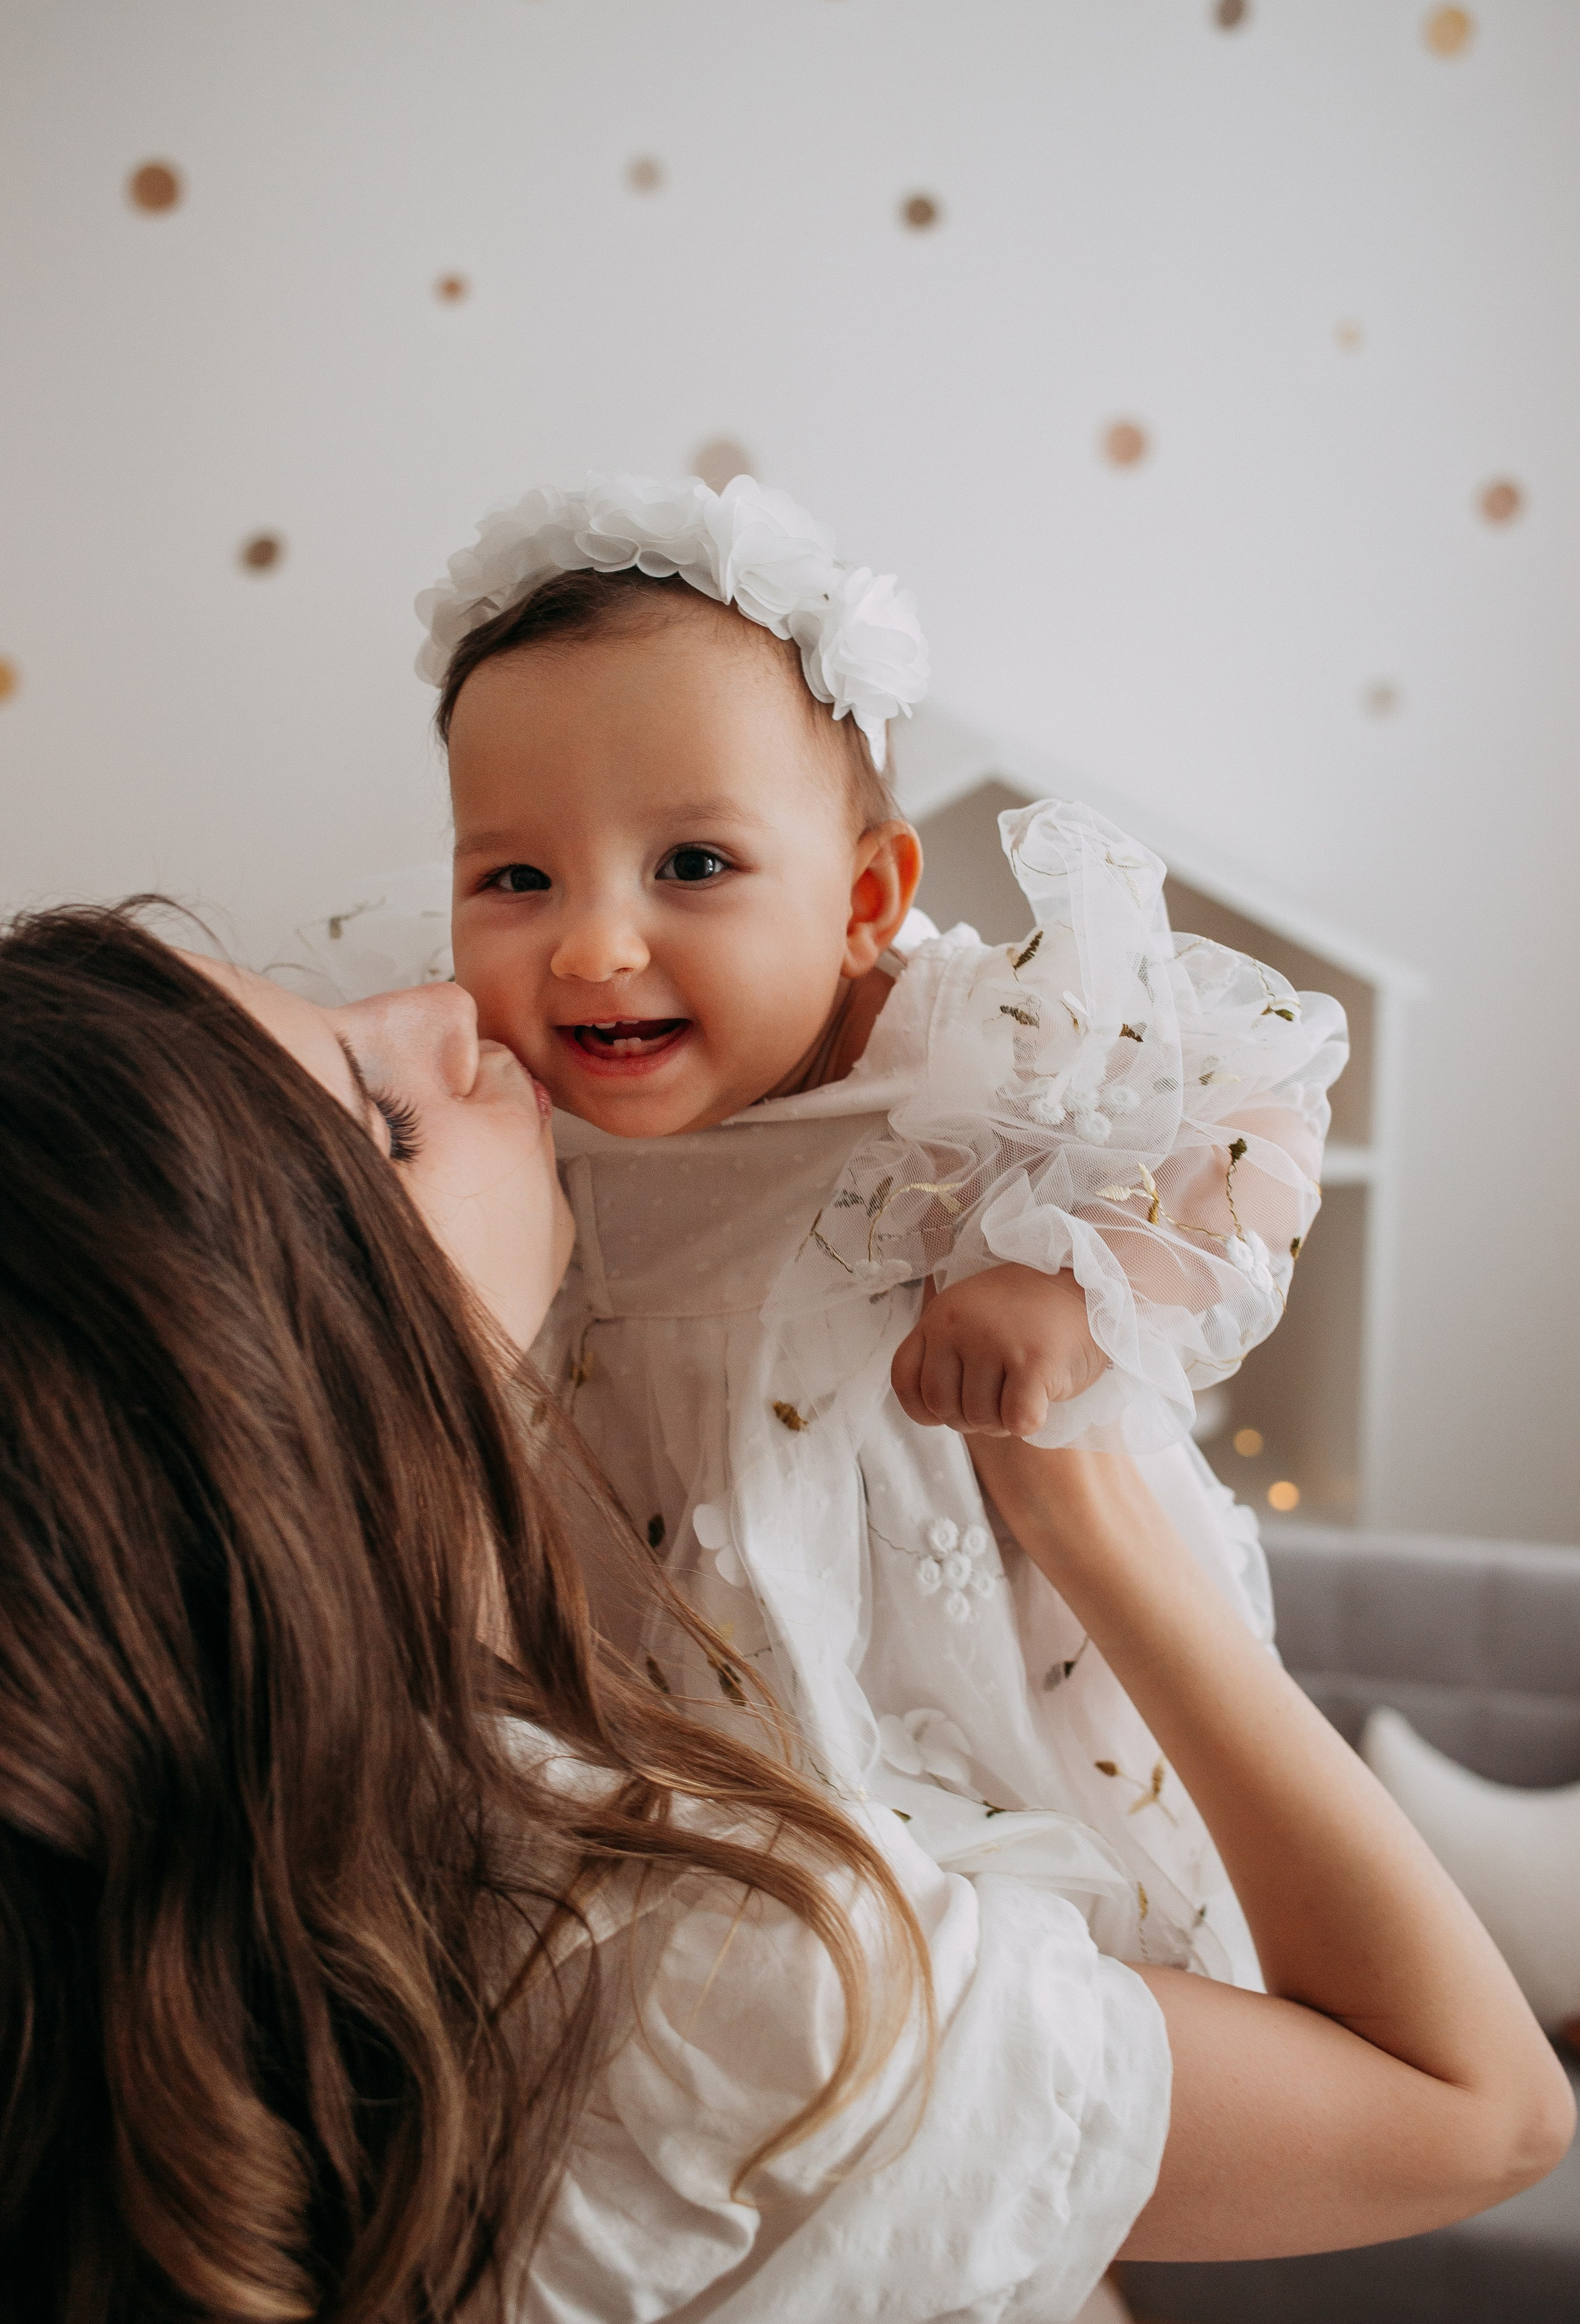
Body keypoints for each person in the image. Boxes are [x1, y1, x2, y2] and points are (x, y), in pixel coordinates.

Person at [0, 902, 1568, 2324]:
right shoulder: (692, 1972)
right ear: (285, 1420)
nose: (446, 1006)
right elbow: (1480, 2111)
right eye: (387, 1121)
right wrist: (1081, 1507)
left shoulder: (144, 1930)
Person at [390, 470, 1348, 1982]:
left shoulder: (969, 1044)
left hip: (980, 1690)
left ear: (863, 898)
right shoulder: (487, 1092)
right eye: (515, 876)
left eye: (692, 865)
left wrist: (1081, 1283)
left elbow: (1257, 1107)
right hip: (650, 1689)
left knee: (1040, 1992)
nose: (592, 944)